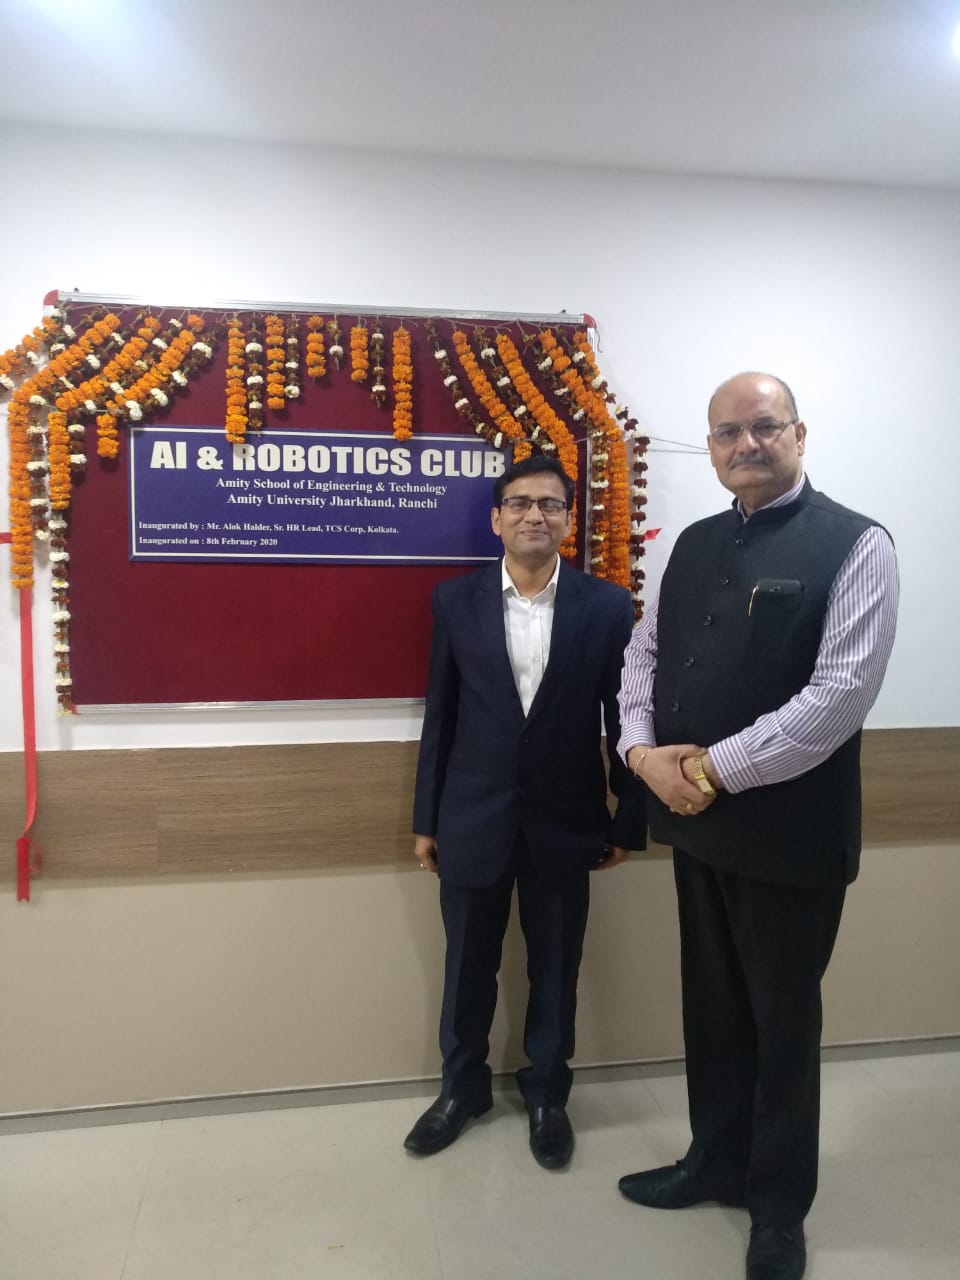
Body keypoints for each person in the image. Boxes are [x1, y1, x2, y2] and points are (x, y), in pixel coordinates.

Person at [616, 372, 898, 1280]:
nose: (746, 444)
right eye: (727, 432)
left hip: (790, 836)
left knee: (781, 1027)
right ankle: (715, 1161)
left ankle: (777, 1208)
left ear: (799, 435)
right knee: (712, 1012)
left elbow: (838, 697)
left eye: (764, 427)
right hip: (696, 827)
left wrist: (705, 771)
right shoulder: (694, 542)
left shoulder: (857, 543)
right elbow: (645, 654)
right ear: (710, 448)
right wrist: (640, 753)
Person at [404, 454, 645, 1169]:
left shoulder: (606, 606)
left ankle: (547, 1097)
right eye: (519, 503)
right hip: (470, 818)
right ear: (496, 519)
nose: (534, 514)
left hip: (567, 821)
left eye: (549, 504)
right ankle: (461, 1091)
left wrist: (626, 820)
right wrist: (427, 819)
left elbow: (624, 717)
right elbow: (441, 715)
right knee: (466, 970)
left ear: (569, 520)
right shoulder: (455, 601)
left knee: (557, 968)